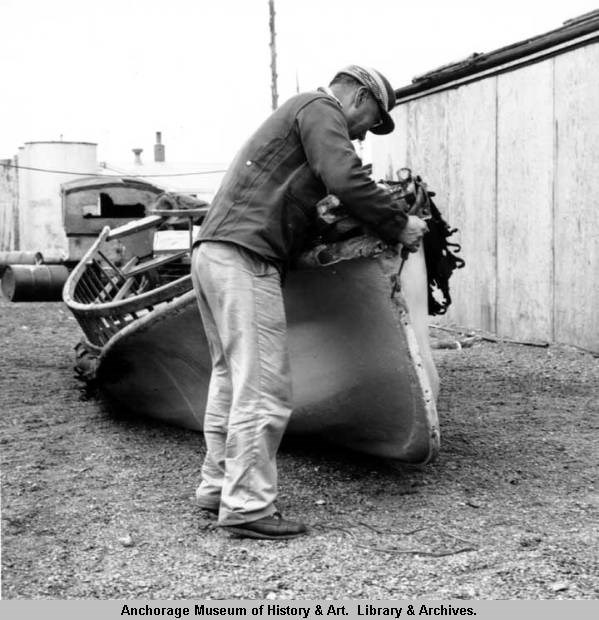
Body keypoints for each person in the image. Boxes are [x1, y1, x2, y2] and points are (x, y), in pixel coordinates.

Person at [191, 65, 428, 540]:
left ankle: (217, 486)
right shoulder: (320, 108)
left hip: (213, 253)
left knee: (228, 380)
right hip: (247, 258)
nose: (362, 136)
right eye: (370, 121)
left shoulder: (298, 115)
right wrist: (397, 223)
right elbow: (344, 175)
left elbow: (311, 198)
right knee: (264, 388)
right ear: (360, 96)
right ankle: (247, 506)